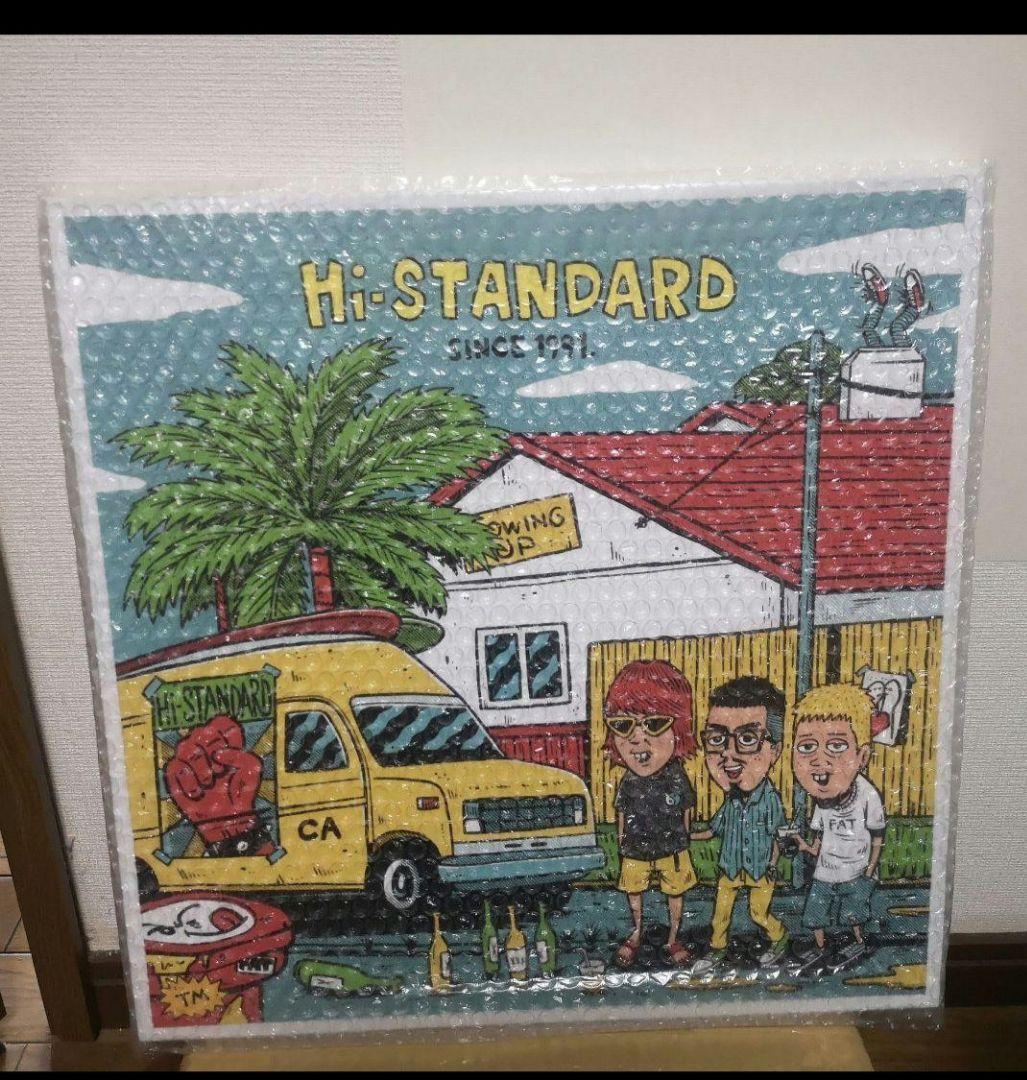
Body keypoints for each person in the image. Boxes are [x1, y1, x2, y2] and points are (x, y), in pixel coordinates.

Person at [690, 676, 791, 974]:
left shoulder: (770, 800)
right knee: (720, 914)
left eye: (747, 739)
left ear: (774, 751)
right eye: (716, 740)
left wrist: (772, 863)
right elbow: (713, 829)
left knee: (758, 912)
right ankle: (717, 949)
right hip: (731, 866)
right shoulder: (730, 801)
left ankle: (779, 937)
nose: (728, 754)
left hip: (760, 868)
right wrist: (688, 836)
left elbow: (778, 834)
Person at [604, 659, 699, 969]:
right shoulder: (629, 780)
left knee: (675, 890)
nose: (637, 737)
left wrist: (684, 839)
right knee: (634, 889)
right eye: (623, 725)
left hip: (672, 846)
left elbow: (686, 809)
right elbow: (622, 811)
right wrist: (622, 841)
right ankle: (636, 932)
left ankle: (673, 937)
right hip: (635, 846)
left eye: (654, 724)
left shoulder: (676, 775)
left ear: (679, 729)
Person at [790, 684, 886, 972]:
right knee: (815, 912)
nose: (819, 759)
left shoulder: (867, 794)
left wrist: (869, 870)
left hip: (856, 869)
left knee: (854, 914)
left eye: (836, 746)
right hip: (826, 870)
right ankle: (819, 947)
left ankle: (858, 941)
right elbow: (819, 839)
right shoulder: (823, 797)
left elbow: (878, 836)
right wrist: (803, 846)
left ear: (862, 757)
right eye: (807, 747)